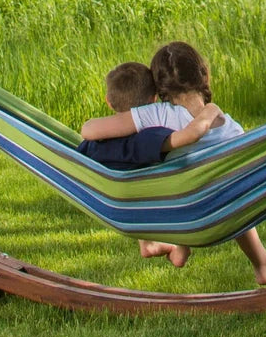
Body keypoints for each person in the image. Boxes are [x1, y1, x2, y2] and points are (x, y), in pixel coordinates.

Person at [81, 42, 266, 283]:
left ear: (159, 90)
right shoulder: (229, 127)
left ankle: (264, 264)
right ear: (204, 75)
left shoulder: (155, 114)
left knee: (223, 181)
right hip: (233, 202)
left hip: (195, 208)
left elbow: (90, 131)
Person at [78, 61, 229, 268]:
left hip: (107, 194)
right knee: (170, 176)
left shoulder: (93, 145)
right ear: (154, 100)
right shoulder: (150, 137)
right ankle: (178, 244)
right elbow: (187, 136)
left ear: (109, 102)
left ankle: (149, 243)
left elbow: (86, 129)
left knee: (142, 175)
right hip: (144, 197)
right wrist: (210, 110)